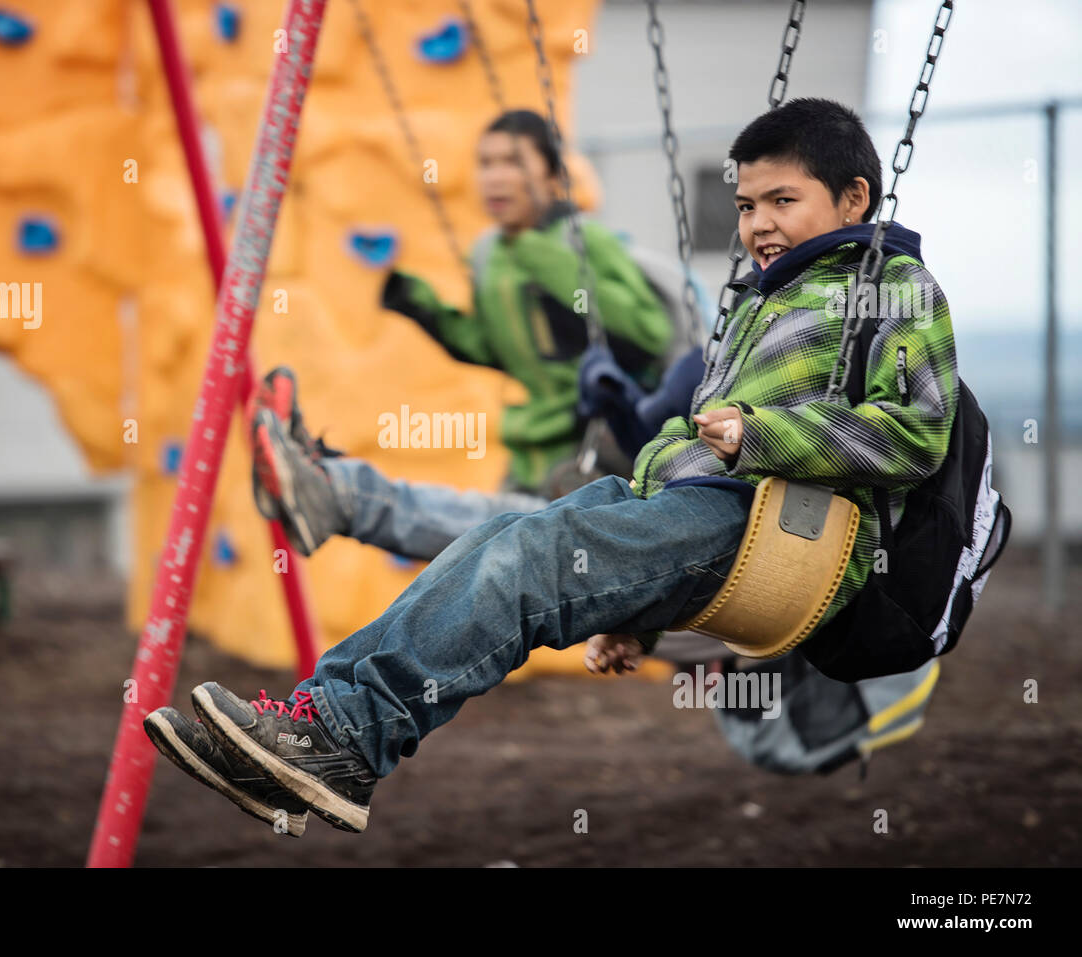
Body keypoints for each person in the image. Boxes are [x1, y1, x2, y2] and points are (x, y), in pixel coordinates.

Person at [146, 97, 959, 836]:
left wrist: (761, 436)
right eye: (747, 205)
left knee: (522, 559)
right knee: (501, 536)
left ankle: (342, 735)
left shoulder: (894, 287)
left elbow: (919, 434)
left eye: (784, 201)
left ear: (853, 199)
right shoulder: (754, 300)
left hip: (794, 538)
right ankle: (311, 726)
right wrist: (638, 614)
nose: (759, 224)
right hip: (712, 517)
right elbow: (687, 465)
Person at [246, 108, 678, 561]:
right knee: (488, 559)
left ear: (552, 175)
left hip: (594, 453)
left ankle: (333, 489)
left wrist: (546, 259)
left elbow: (648, 332)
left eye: (513, 162)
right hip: (529, 450)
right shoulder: (490, 254)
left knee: (491, 539)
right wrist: (418, 304)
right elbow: (492, 348)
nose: (495, 178)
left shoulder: (584, 241)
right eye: (486, 163)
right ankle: (328, 483)